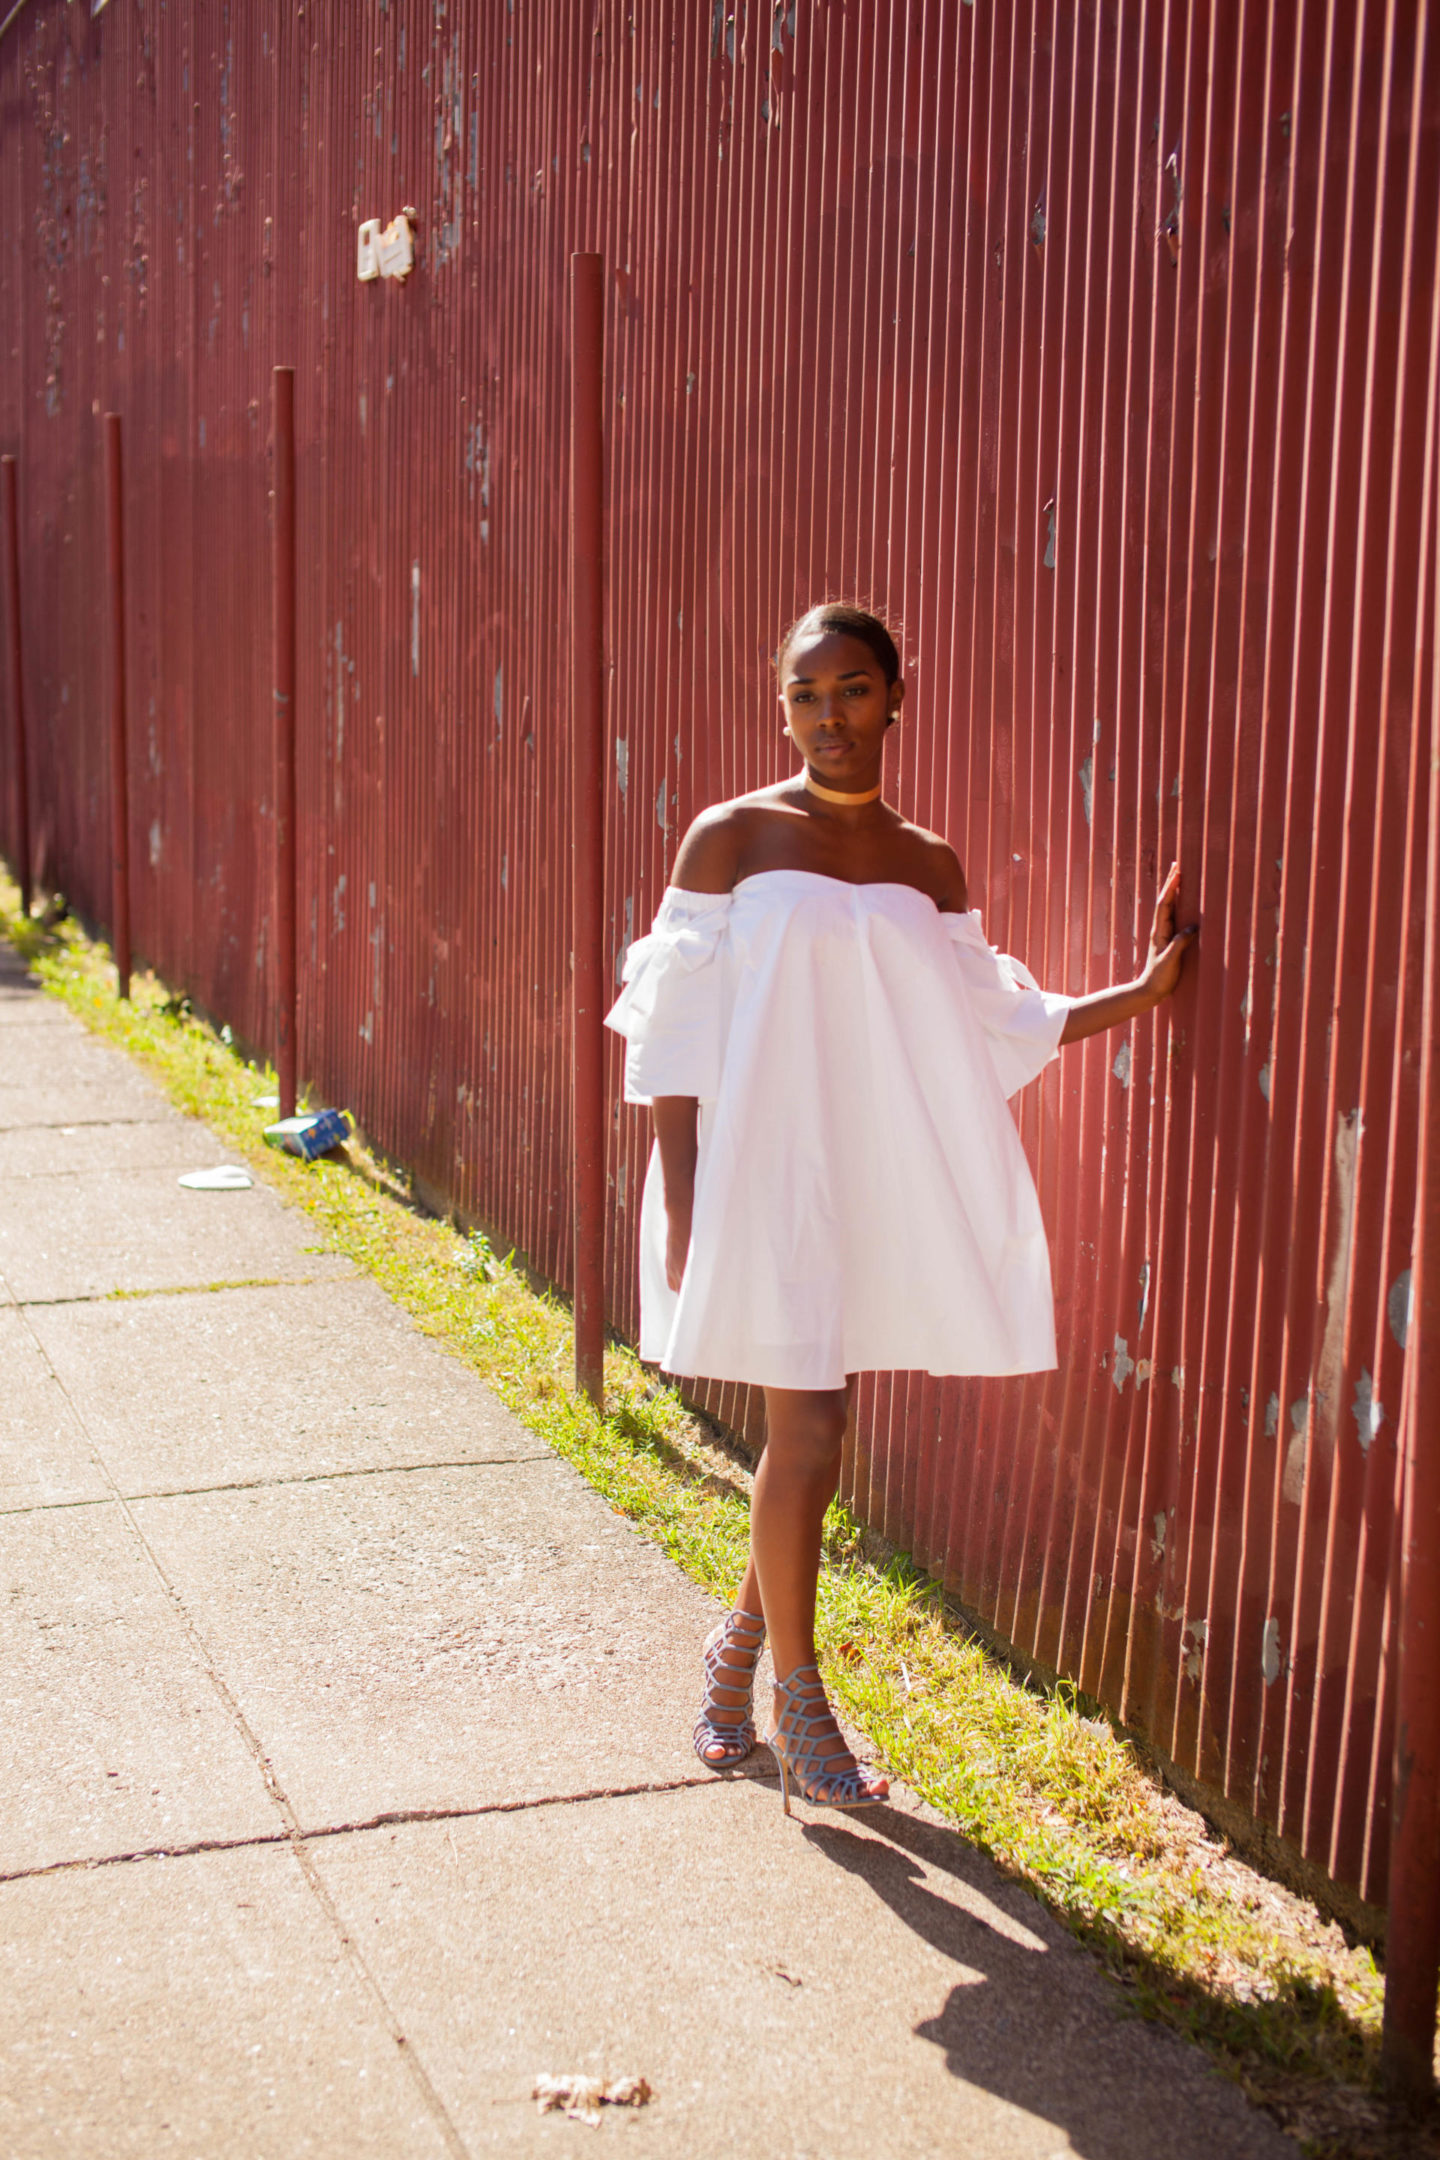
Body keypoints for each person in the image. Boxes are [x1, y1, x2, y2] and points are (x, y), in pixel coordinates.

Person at [605, 602, 1198, 1816]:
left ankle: (732, 1663)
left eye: (855, 689)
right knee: (811, 1434)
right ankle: (800, 1698)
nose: (832, 715)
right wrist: (682, 1195)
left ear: (895, 696)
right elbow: (671, 1034)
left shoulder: (930, 865)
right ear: (783, 708)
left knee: (813, 1447)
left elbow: (992, 1021)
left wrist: (1139, 992)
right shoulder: (730, 839)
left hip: (870, 1177)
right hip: (761, 1173)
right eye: (808, 694)